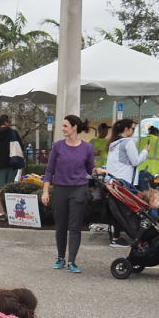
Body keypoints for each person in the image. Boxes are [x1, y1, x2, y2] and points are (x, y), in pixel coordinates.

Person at [41, 115, 96, 274]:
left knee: (75, 227)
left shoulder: (87, 148)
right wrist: (45, 191)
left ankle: (72, 261)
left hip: (79, 190)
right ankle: (60, 258)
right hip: (60, 189)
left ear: (74, 127)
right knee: (60, 226)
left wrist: (99, 171)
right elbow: (49, 170)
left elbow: (90, 169)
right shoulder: (58, 146)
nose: (62, 129)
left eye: (65, 126)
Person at [136, 125, 159, 189]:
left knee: (143, 190)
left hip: (140, 170)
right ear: (157, 134)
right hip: (155, 172)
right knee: (157, 188)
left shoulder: (139, 141)